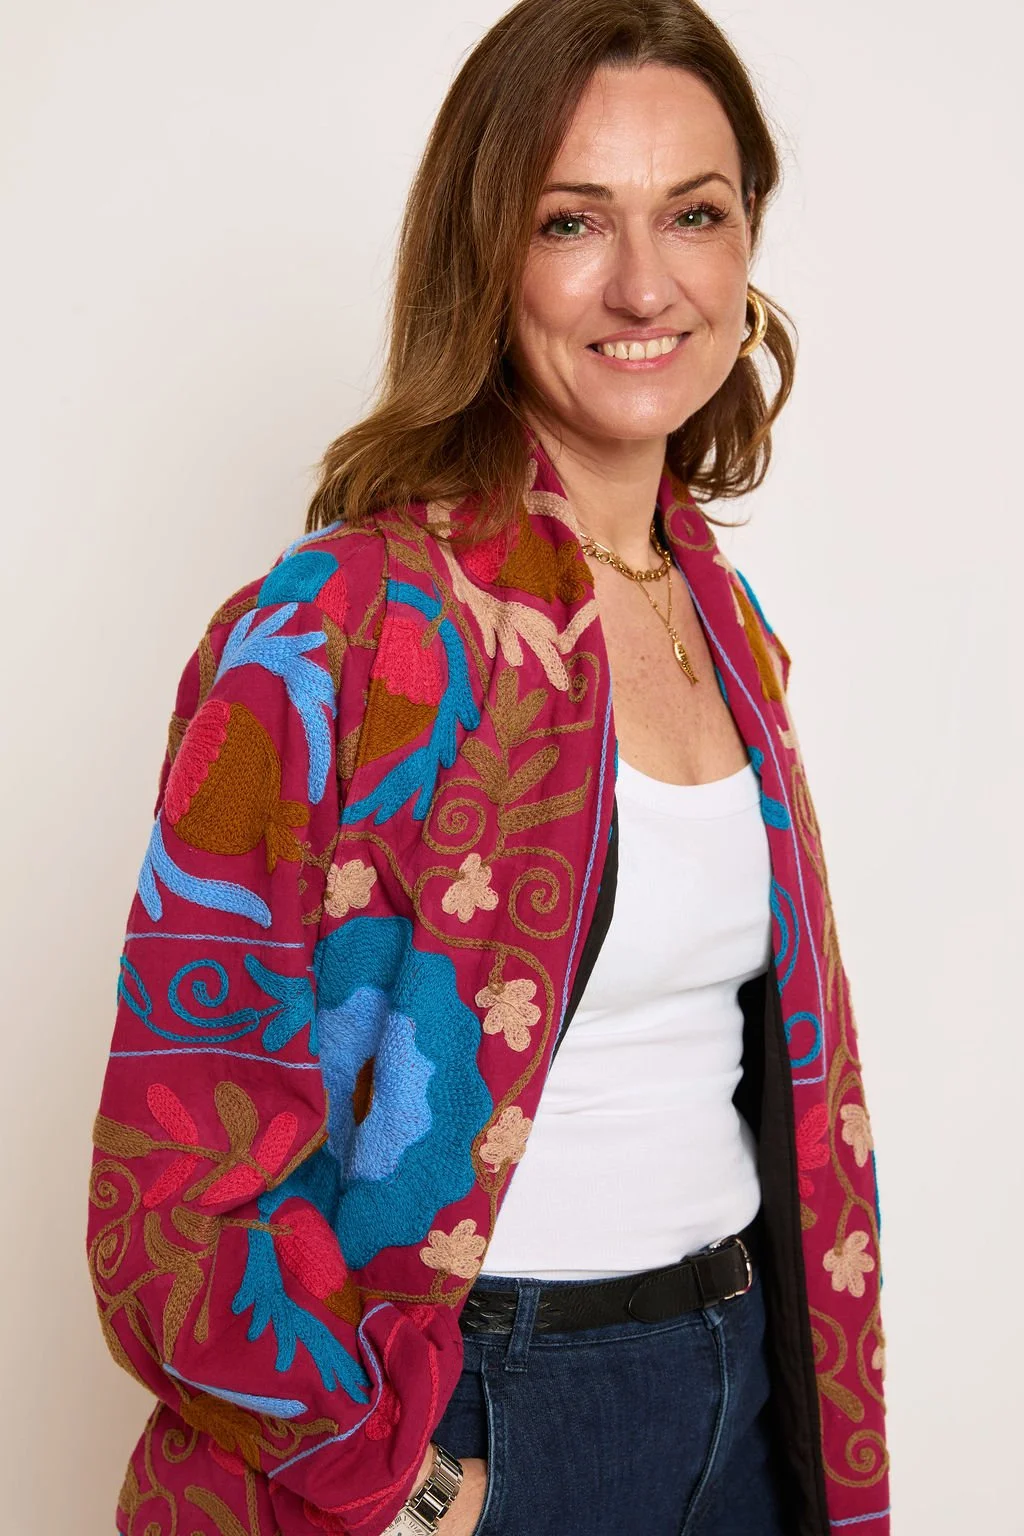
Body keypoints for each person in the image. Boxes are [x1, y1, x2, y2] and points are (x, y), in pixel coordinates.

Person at [86, 1, 891, 1533]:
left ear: (744, 254)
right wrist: (391, 1477)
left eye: (695, 216)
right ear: (487, 254)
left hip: (742, 1384)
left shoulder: (720, 615)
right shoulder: (334, 627)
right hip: (479, 1412)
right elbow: (168, 1185)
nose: (644, 282)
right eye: (572, 219)